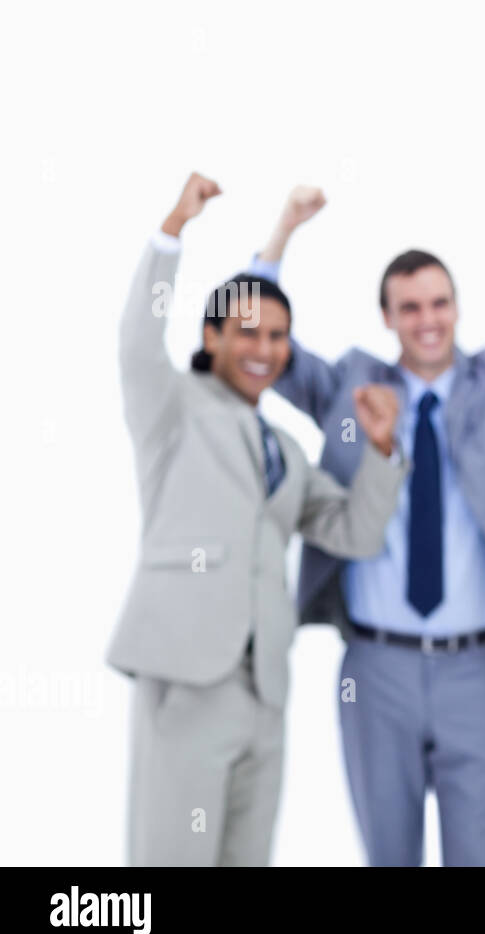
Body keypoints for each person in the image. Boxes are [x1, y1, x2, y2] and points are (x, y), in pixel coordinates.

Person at [244, 168, 485, 866]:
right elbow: (261, 344)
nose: (427, 319)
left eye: (439, 303)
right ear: (387, 317)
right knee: (389, 857)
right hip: (375, 671)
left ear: (457, 307)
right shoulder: (351, 387)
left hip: (474, 672)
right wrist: (281, 233)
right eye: (409, 307)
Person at [110, 172, 409, 866]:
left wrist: (383, 451)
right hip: (187, 681)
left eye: (279, 336)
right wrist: (171, 231)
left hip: (265, 690)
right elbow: (136, 340)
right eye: (247, 331)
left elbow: (353, 533)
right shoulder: (171, 408)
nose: (264, 349)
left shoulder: (285, 448)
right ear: (211, 333)